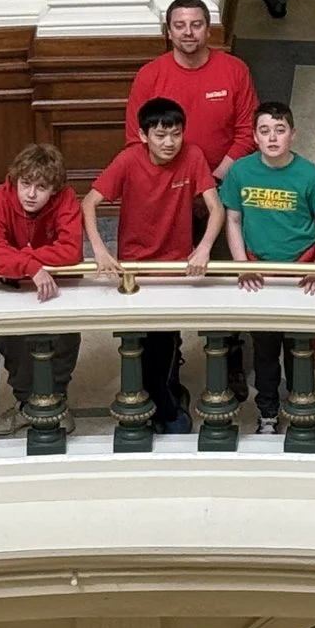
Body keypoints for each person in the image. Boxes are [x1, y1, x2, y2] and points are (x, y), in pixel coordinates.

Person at [86, 97, 225, 432]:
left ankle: (165, 405)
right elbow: (89, 202)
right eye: (161, 135)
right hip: (134, 269)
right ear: (143, 134)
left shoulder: (193, 156)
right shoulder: (127, 160)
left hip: (175, 267)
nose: (169, 142)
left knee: (165, 340)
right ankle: (161, 402)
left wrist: (203, 247)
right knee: (140, 342)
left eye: (175, 134)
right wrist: (100, 251)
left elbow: (216, 209)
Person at [220, 102, 315, 427]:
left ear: (293, 134)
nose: (272, 138)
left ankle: (302, 407)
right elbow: (233, 219)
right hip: (259, 274)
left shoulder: (310, 175)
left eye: (280, 130)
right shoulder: (240, 171)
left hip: (302, 272)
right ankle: (267, 413)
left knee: (300, 347)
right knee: (265, 349)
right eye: (265, 131)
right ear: (255, 136)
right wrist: (242, 265)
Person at [0, 144, 88, 435]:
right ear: (15, 181)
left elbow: (71, 251)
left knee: (64, 338)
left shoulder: (66, 200)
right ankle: (26, 404)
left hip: (57, 287)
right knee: (13, 343)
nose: (31, 194)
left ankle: (57, 401)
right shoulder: (0, 199)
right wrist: (30, 267)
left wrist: (20, 259)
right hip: (12, 286)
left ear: (54, 188)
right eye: (25, 185)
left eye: (41, 187)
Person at [126, 0, 258, 179]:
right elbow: (136, 139)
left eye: (196, 25)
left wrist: (215, 179)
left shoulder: (236, 70)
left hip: (225, 178)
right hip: (166, 181)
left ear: (208, 30)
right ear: (169, 33)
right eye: (179, 26)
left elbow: (247, 133)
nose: (188, 32)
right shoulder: (148, 75)